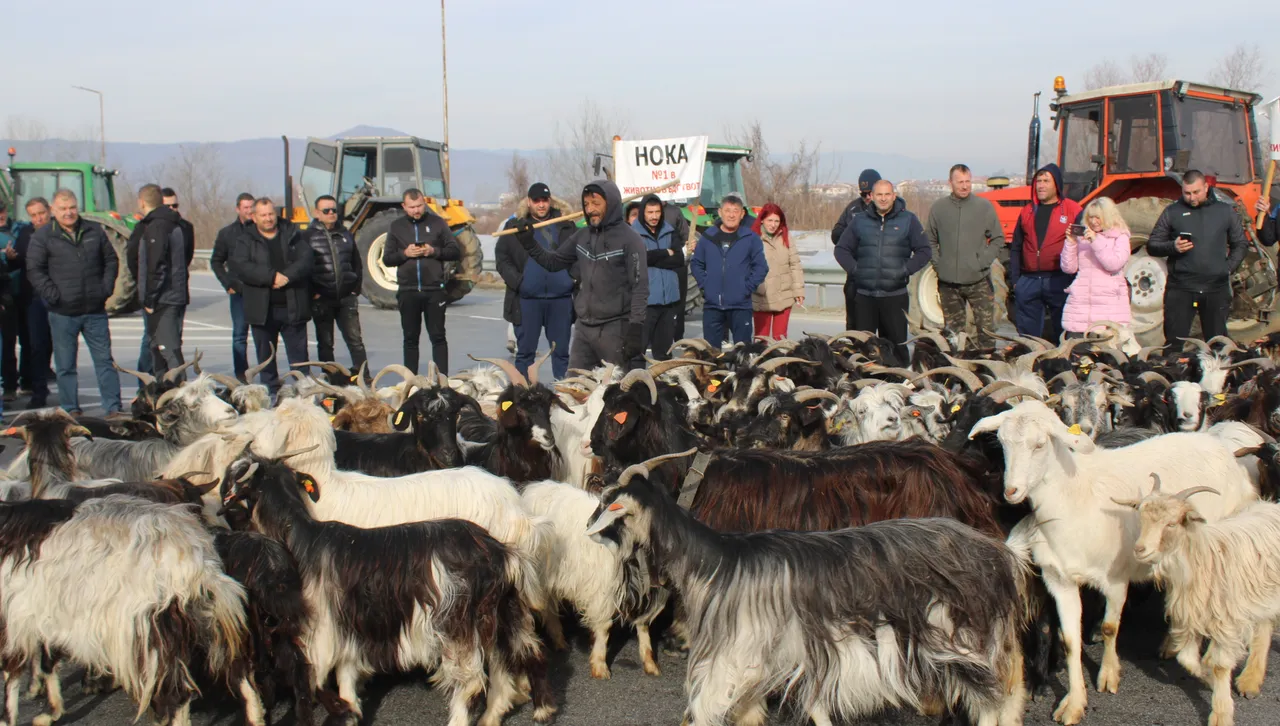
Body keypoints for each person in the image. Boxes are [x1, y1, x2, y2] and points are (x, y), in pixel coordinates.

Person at [514, 179, 648, 370]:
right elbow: (553, 262)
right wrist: (529, 243)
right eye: (586, 204)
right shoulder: (582, 236)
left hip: (615, 328)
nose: (590, 209)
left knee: (614, 391)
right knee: (574, 388)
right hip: (584, 329)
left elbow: (640, 287)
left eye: (596, 203)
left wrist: (636, 327)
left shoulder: (630, 240)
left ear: (610, 204)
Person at [25, 189, 124, 417]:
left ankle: (113, 407)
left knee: (105, 361)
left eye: (72, 208)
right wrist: (53, 295)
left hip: (94, 310)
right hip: (62, 313)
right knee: (66, 366)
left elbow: (110, 260)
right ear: (53, 210)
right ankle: (70, 409)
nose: (68, 213)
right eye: (63, 209)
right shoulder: (43, 237)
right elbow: (35, 270)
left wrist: (105, 289)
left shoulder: (94, 230)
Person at [835, 179, 931, 364]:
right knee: (864, 350)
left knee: (896, 349)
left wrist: (905, 269)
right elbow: (841, 249)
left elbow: (924, 251)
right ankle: (865, 388)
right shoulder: (859, 221)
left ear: (894, 196)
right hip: (865, 297)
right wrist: (856, 270)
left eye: (887, 194)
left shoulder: (908, 220)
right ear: (871, 196)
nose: (884, 198)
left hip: (894, 296)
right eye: (879, 194)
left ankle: (899, 386)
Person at [1148, 170, 1248, 343]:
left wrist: (1228, 268)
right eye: (1187, 193)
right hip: (1181, 288)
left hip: (1215, 289)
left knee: (1218, 344)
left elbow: (1240, 243)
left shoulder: (1225, 211)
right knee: (1174, 345)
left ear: (1206, 187)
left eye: (1196, 192)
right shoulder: (1173, 212)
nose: (1192, 198)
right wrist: (1173, 246)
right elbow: (1153, 245)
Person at [228, 198, 313, 393]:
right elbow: (241, 266)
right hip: (262, 310)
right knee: (266, 359)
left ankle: (304, 395)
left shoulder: (292, 234)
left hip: (293, 307)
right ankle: (272, 394)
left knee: (300, 360)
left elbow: (306, 260)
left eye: (271, 214)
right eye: (263, 215)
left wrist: (287, 277)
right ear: (254, 217)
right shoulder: (245, 239)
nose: (268, 219)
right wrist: (271, 277)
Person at [497, 183, 576, 380]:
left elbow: (579, 255)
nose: (541, 205)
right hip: (527, 299)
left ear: (550, 201)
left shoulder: (565, 224)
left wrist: (572, 279)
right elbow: (502, 258)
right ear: (529, 202)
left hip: (561, 298)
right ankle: (524, 398)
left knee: (561, 353)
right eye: (536, 201)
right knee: (525, 353)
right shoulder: (515, 227)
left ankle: (562, 393)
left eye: (545, 200)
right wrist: (519, 282)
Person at [926, 164, 1005, 348]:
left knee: (986, 333)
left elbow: (997, 239)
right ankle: (957, 371)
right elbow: (929, 240)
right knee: (953, 336)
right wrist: (939, 265)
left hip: (978, 281)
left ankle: (986, 369)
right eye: (960, 182)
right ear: (950, 183)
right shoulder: (939, 209)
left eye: (967, 181)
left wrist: (981, 262)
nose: (964, 186)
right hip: (948, 285)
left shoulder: (983, 207)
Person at [383, 188, 460, 374]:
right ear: (404, 206)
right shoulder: (396, 227)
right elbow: (387, 259)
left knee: (438, 337)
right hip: (408, 291)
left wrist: (434, 251)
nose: (416, 210)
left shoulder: (438, 223)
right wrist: (405, 253)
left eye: (419, 206)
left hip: (434, 290)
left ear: (424, 204)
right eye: (411, 207)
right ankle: (411, 381)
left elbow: (455, 251)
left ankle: (442, 381)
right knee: (410, 339)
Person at [1008, 163, 1081, 344]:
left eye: (1046, 181)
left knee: (1063, 334)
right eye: (1038, 181)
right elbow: (1016, 246)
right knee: (1028, 338)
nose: (1040, 185)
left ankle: (1061, 365)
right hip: (1029, 280)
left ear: (1056, 184)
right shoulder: (1027, 212)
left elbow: (1084, 246)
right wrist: (1016, 281)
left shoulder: (1073, 210)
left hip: (1059, 279)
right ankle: (1030, 365)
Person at [126, 184, 189, 381]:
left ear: (141, 202)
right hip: (171, 296)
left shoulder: (158, 226)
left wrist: (150, 300)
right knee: (159, 352)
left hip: (164, 299)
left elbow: (156, 266)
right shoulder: (171, 223)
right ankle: (163, 394)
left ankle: (181, 397)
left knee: (169, 351)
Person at [1060, 197, 1138, 352]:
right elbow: (1069, 268)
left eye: (1098, 217)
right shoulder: (1083, 239)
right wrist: (1070, 242)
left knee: (1105, 358)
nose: (1094, 221)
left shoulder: (1121, 238)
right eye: (1090, 217)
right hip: (1080, 308)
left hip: (1108, 310)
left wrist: (1095, 241)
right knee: (1078, 358)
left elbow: (1113, 264)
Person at [691, 195, 768, 348]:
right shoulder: (708, 237)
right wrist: (706, 285)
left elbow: (761, 267)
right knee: (711, 355)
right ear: (720, 212)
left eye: (735, 211)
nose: (731, 215)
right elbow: (696, 264)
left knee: (743, 352)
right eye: (727, 210)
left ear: (742, 214)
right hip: (713, 306)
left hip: (740, 306)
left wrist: (746, 288)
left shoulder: (751, 238)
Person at [305, 195, 369, 378]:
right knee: (325, 343)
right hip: (322, 299)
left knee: (355, 340)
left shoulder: (346, 234)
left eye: (334, 210)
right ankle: (330, 377)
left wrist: (355, 289)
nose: (331, 213)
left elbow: (356, 263)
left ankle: (363, 376)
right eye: (326, 210)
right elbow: (304, 268)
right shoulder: (308, 236)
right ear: (317, 213)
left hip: (346, 297)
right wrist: (313, 293)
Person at [632, 194, 684, 362]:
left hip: (669, 302)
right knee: (638, 352)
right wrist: (663, 253)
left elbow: (679, 259)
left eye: (657, 212)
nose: (654, 216)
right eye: (650, 212)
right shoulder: (633, 234)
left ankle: (664, 386)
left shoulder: (669, 231)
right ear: (642, 213)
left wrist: (651, 258)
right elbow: (637, 259)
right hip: (645, 303)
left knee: (664, 354)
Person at [12, 198, 52, 407]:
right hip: (33, 298)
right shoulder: (26, 234)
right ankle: (38, 390)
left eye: (41, 213)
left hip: (57, 296)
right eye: (34, 215)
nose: (38, 218)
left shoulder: (57, 232)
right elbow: (18, 259)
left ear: (49, 211)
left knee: (51, 346)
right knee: (35, 345)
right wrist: (11, 258)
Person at [830, 169, 882, 330]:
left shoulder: (890, 210)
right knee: (854, 326)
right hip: (856, 276)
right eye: (863, 193)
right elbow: (836, 234)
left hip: (882, 278)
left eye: (870, 193)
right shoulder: (853, 209)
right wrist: (849, 236)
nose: (867, 198)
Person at [212, 193, 255, 380]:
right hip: (239, 292)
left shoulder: (260, 230)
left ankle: (268, 372)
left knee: (265, 336)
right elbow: (216, 261)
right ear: (238, 209)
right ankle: (241, 374)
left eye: (251, 207)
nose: (249, 210)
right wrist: (227, 283)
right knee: (239, 336)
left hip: (261, 291)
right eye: (245, 207)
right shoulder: (227, 233)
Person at [751, 203, 804, 340]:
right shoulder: (752, 238)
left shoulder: (786, 238)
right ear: (762, 219)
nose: (773, 225)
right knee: (761, 340)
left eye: (776, 221)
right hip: (761, 296)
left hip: (784, 295)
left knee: (780, 340)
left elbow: (795, 265)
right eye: (770, 220)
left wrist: (798, 291)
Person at [0, 200, 29, 401]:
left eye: (2, 213)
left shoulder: (20, 229)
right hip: (5, 294)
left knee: (25, 340)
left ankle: (19, 382)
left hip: (21, 292)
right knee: (5, 344)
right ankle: (8, 386)